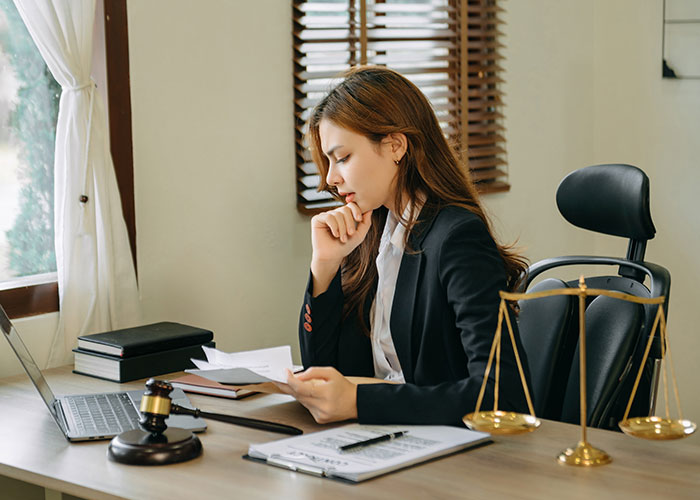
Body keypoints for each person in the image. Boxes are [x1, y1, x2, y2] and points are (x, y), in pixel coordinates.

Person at [279, 66, 531, 426]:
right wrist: (325, 266)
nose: (331, 179)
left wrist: (361, 402)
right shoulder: (373, 233)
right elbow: (325, 373)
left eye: (343, 157)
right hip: (383, 441)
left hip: (453, 456)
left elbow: (502, 395)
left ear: (395, 146)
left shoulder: (456, 236)